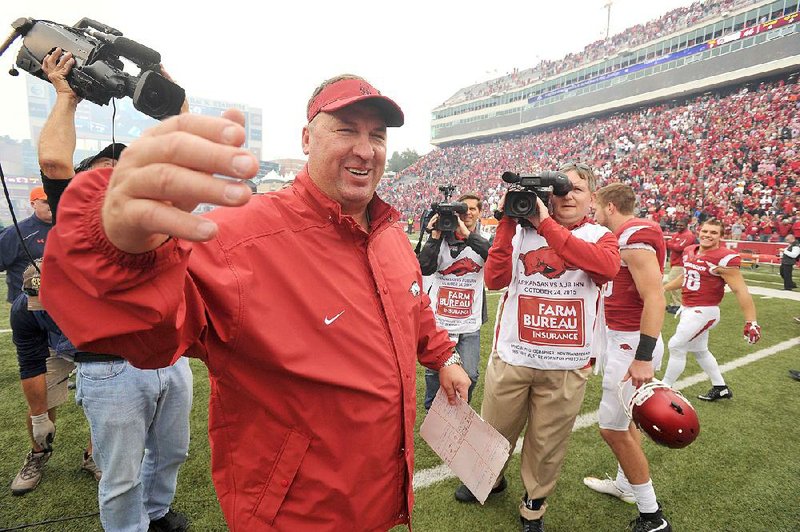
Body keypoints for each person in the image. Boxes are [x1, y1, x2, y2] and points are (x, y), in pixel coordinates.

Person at [39, 73, 471, 530]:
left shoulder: (389, 233)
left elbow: (411, 305)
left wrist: (442, 357)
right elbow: (148, 334)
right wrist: (122, 251)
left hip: (380, 496)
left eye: (377, 135)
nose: (366, 149)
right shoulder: (239, 238)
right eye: (346, 129)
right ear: (307, 138)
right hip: (296, 514)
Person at [36, 48, 192, 532]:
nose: (113, 175)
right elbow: (54, 160)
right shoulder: (81, 221)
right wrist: (66, 95)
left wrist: (174, 102)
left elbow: (183, 153)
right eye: (102, 170)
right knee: (120, 475)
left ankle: (157, 515)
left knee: (172, 451)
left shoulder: (154, 214)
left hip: (170, 358)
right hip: (109, 368)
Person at [454, 163, 619, 531]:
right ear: (548, 195)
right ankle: (488, 479)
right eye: (561, 189)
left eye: (577, 188)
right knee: (494, 427)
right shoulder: (520, 232)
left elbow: (605, 268)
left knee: (548, 443)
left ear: (592, 197)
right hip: (515, 354)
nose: (568, 195)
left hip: (567, 363)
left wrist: (547, 226)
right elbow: (496, 279)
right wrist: (510, 221)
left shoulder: (600, 235)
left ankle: (534, 503)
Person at [582, 183, 672, 532]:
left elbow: (655, 297)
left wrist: (643, 356)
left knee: (611, 430)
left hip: (630, 344)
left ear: (609, 206)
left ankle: (652, 515)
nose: (596, 215)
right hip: (621, 340)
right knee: (625, 423)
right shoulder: (633, 233)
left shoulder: (634, 235)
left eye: (598, 208)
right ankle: (624, 485)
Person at [10, 260, 100, 496]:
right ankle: (38, 453)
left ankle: (95, 454)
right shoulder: (23, 310)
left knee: (103, 398)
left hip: (94, 339)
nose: (42, 308)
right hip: (52, 343)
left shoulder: (95, 297)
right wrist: (40, 417)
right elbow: (31, 365)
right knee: (40, 401)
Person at [662, 219, 761, 401]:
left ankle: (664, 388)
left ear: (721, 236)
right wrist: (664, 288)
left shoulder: (724, 258)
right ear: (699, 231)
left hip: (705, 311)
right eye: (705, 231)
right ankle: (720, 387)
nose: (708, 235)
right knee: (700, 351)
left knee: (676, 345)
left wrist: (751, 321)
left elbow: (740, 290)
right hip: (688, 309)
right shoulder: (689, 250)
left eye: (714, 233)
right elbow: (687, 276)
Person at [418, 193, 489, 408]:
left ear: (479, 212)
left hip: (469, 323)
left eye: (473, 209)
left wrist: (467, 235)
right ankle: (433, 409)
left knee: (471, 374)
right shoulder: (441, 239)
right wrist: (434, 236)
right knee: (434, 372)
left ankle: (459, 407)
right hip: (441, 321)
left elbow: (493, 256)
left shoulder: (483, 241)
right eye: (463, 209)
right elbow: (424, 267)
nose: (467, 212)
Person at [0, 186, 52, 303]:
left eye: (53, 200)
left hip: (59, 300)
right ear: (33, 204)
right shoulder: (17, 232)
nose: (51, 205)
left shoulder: (67, 228)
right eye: (45, 202)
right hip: (27, 303)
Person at [664, 219, 695, 314]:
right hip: (675, 262)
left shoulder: (688, 235)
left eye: (681, 225)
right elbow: (673, 245)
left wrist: (669, 243)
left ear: (686, 225)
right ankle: (674, 304)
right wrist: (671, 244)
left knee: (673, 283)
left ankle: (678, 305)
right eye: (678, 224)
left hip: (681, 263)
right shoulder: (677, 234)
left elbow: (678, 248)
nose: (679, 226)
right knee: (673, 283)